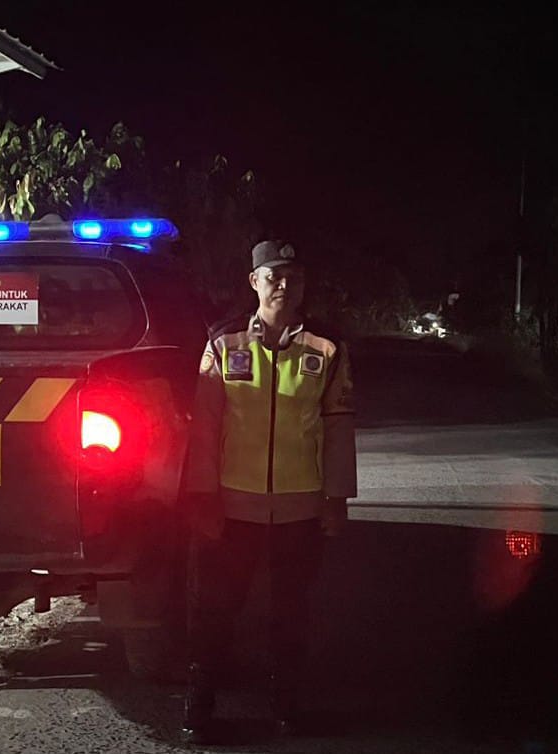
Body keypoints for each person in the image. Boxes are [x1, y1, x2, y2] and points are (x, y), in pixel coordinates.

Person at [181, 239, 357, 743]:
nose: (284, 285)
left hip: (301, 508)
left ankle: (286, 709)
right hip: (232, 506)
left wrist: (336, 498)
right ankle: (199, 709)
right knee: (215, 610)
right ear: (254, 282)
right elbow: (204, 428)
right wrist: (202, 496)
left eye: (293, 277)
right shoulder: (223, 342)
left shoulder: (327, 347)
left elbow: (339, 426)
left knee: (291, 612)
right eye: (273, 276)